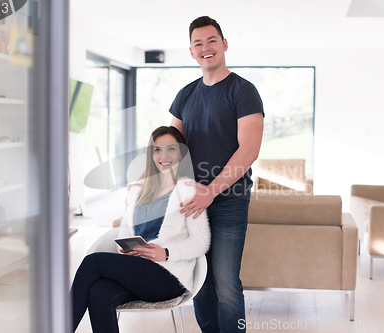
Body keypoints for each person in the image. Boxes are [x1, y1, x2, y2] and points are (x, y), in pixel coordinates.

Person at [169, 16, 264, 333]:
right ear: (192, 52)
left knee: (225, 284)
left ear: (224, 45)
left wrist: (210, 190)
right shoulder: (185, 95)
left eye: (211, 41)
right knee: (201, 280)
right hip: (192, 202)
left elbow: (248, 150)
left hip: (229, 200)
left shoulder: (243, 91)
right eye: (198, 43)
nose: (205, 48)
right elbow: (169, 149)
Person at [70, 126, 211, 333]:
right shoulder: (138, 190)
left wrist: (165, 252)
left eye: (171, 149)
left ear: (181, 153)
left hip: (169, 276)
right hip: (137, 271)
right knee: (99, 292)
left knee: (93, 262)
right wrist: (126, 248)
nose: (163, 156)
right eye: (157, 150)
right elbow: (125, 231)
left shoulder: (188, 190)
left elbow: (201, 240)